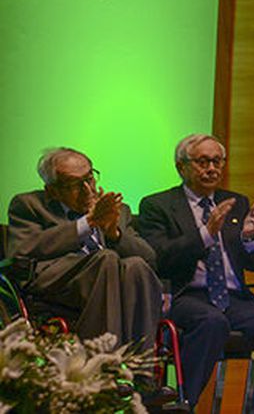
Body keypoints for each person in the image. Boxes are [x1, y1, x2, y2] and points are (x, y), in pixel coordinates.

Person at [137, 133, 254, 413]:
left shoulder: (236, 202)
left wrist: (250, 237)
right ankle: (184, 403)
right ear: (181, 167)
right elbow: (160, 258)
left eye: (217, 161)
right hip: (187, 295)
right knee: (212, 322)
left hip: (233, 298)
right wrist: (206, 233)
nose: (212, 168)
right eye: (203, 162)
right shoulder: (157, 205)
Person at [5, 147, 161, 347]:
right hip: (58, 284)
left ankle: (141, 362)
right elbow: (23, 249)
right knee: (106, 259)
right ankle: (102, 358)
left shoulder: (116, 210)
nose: (88, 189)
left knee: (136, 266)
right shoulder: (29, 205)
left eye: (90, 178)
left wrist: (113, 233)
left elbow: (149, 258)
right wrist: (87, 223)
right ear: (52, 190)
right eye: (75, 184)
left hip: (111, 280)